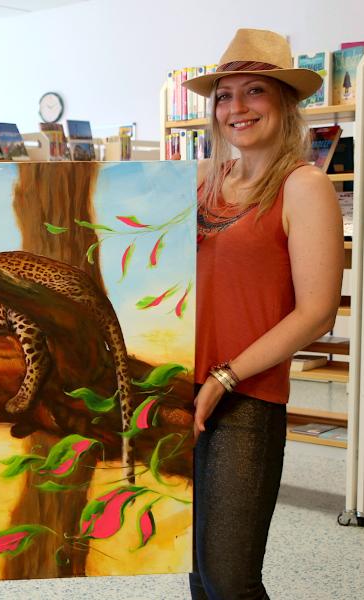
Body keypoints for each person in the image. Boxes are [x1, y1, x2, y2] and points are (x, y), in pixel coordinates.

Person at [183, 28, 343, 599]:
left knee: (231, 579)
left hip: (244, 397)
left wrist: (225, 377)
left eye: (254, 92)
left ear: (284, 101)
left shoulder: (303, 187)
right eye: (224, 95)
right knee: (201, 574)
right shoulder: (207, 182)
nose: (236, 108)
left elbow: (318, 311)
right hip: (182, 387)